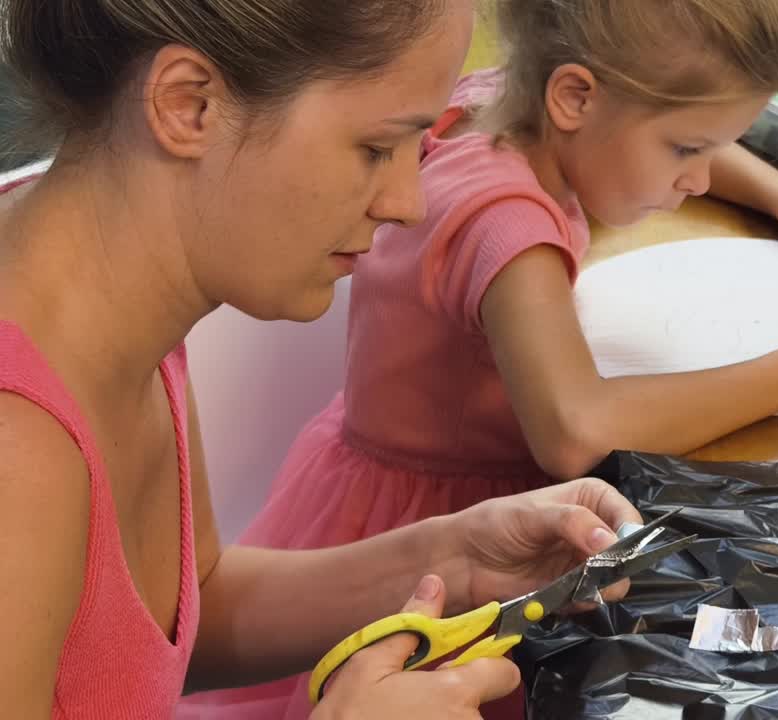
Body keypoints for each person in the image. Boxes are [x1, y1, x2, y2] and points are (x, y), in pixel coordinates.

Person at [198, 0, 778, 716]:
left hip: (442, 489)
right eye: (686, 151)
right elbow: (575, 433)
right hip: (444, 535)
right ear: (575, 98)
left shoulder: (505, 103)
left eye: (713, 147)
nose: (702, 180)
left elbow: (682, 118)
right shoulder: (505, 218)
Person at [0, 0, 643, 717]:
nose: (407, 201)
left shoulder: (103, 278)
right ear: (189, 105)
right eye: (376, 148)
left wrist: (454, 560)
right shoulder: (17, 448)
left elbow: (177, 618)